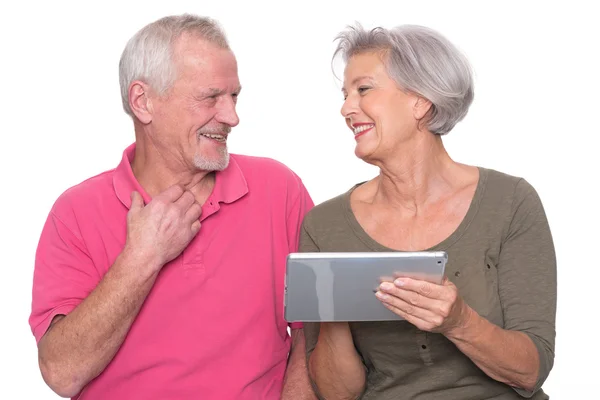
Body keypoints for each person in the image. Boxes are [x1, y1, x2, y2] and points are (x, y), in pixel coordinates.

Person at [29, 14, 315, 400]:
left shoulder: (279, 189)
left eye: (234, 96)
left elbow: (312, 333)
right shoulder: (75, 213)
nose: (232, 116)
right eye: (210, 97)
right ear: (143, 102)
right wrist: (143, 256)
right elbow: (62, 373)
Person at [301, 24, 556, 400]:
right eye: (345, 94)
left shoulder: (511, 202)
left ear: (420, 101)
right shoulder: (324, 227)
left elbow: (530, 371)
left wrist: (459, 322)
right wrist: (335, 307)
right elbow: (337, 395)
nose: (345, 108)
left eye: (364, 89)